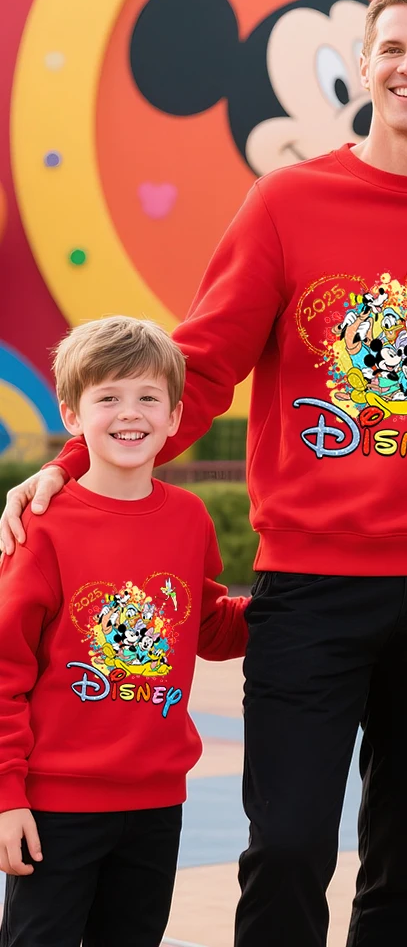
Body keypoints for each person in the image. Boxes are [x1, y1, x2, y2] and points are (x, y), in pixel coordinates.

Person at [0, 0, 407, 947]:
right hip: (312, 587)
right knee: (285, 846)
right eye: (392, 48)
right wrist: (73, 464)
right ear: (363, 65)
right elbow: (199, 366)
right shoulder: (289, 200)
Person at [0, 316, 247, 947]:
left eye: (147, 397)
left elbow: (208, 626)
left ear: (175, 415)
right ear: (72, 415)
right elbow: (5, 671)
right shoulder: (41, 528)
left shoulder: (189, 518)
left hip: (155, 805)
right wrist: (7, 796)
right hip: (55, 807)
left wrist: (299, 602)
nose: (129, 413)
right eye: (107, 397)